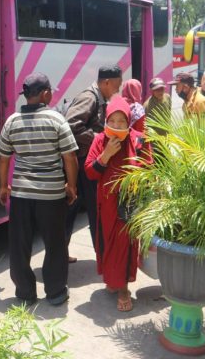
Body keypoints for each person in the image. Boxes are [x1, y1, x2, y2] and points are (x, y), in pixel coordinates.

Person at [0, 72, 79, 306]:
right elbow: (69, 157)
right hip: (51, 194)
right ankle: (55, 292)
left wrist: (3, 186)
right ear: (44, 94)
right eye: (50, 91)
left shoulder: (12, 121)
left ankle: (25, 292)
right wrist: (71, 186)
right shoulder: (56, 120)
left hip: (21, 194)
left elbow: (2, 157)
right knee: (55, 243)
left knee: (19, 243)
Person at [85, 96, 150, 312]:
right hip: (107, 205)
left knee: (125, 245)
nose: (116, 126)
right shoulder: (99, 140)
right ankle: (114, 280)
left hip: (129, 204)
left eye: (121, 122)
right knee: (108, 244)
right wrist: (105, 156)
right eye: (112, 121)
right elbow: (90, 172)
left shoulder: (139, 140)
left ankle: (123, 288)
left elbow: (149, 169)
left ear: (129, 122)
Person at [65, 65, 123, 261]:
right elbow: (71, 125)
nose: (118, 90)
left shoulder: (98, 98)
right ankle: (103, 256)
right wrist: (98, 138)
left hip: (82, 162)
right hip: (82, 163)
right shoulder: (89, 97)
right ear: (106, 82)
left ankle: (62, 252)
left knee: (73, 208)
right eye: (117, 85)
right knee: (94, 209)